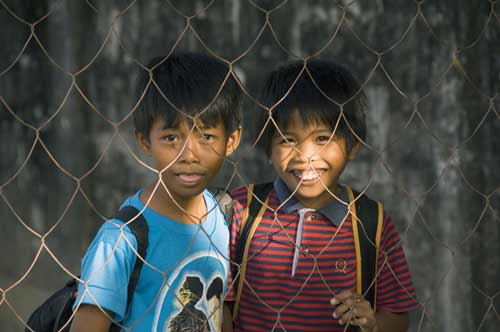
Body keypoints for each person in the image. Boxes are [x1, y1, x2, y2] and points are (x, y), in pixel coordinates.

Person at [223, 59, 418, 332]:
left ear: (353, 146)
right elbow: (220, 307)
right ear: (267, 148)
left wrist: (371, 321)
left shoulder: (370, 221)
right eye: (287, 140)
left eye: (323, 138)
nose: (305, 158)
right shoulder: (241, 210)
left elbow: (398, 317)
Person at [70, 52, 242, 332]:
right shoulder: (121, 239)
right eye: (171, 138)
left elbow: (221, 311)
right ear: (144, 141)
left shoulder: (225, 217)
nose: (189, 154)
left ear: (231, 141)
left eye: (207, 137)